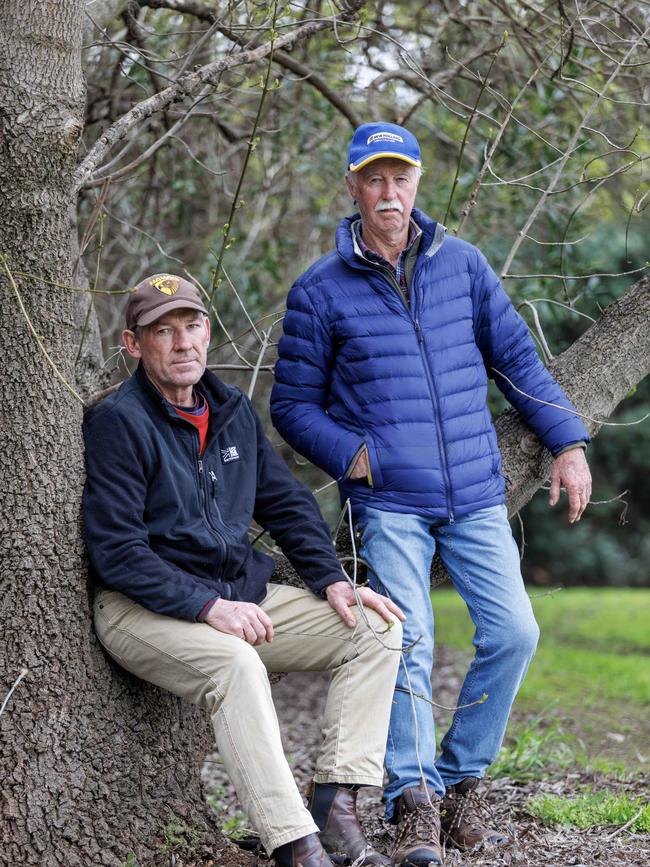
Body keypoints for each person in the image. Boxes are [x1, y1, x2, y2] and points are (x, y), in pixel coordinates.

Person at [270, 122, 592, 866]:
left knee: (516, 632)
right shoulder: (321, 289)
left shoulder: (464, 265)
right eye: (374, 180)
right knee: (405, 640)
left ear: (418, 182)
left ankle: (460, 781)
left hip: (475, 491)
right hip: (389, 502)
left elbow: (515, 361)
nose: (390, 193)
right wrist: (356, 456)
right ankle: (412, 800)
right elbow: (291, 406)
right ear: (353, 187)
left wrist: (567, 442)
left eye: (401, 178)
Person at [82, 273, 406, 867]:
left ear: (208, 331)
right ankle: (294, 845)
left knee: (375, 628)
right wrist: (209, 608)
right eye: (163, 331)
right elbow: (118, 552)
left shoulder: (230, 409)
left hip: (234, 595)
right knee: (234, 664)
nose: (183, 344)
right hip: (140, 608)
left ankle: (335, 809)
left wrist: (331, 579)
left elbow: (285, 503)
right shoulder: (118, 423)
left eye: (192, 326)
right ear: (134, 344)